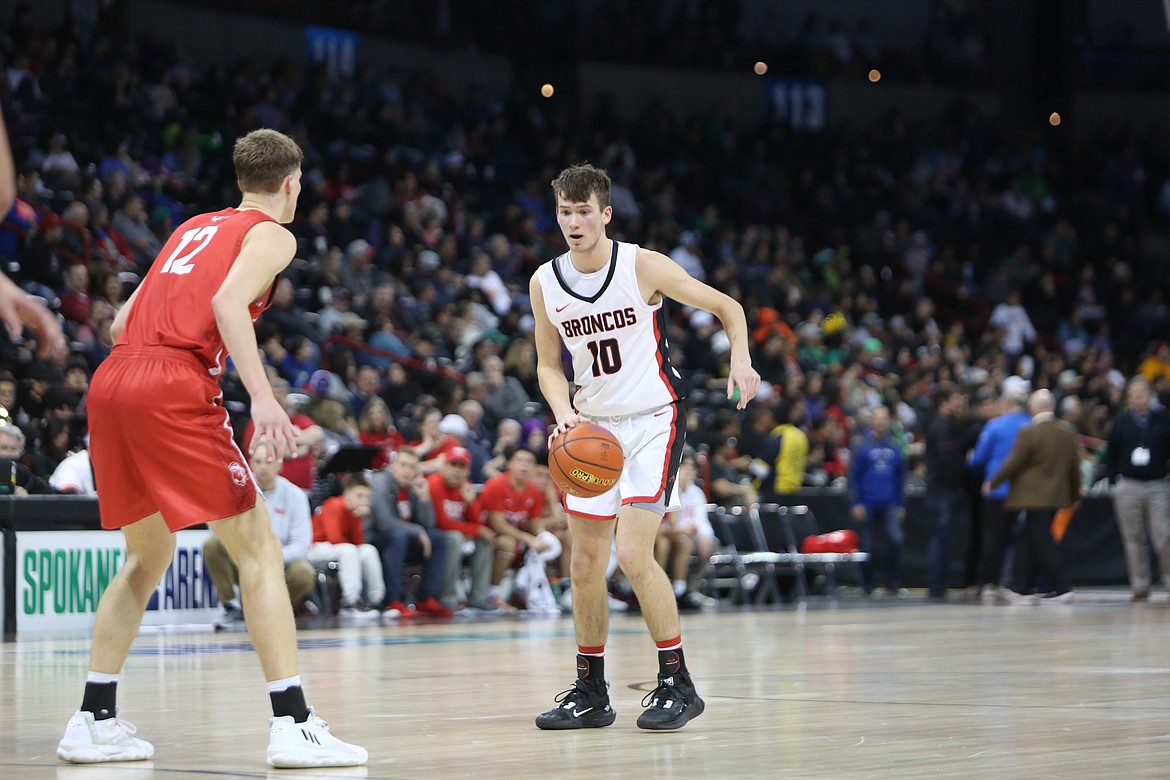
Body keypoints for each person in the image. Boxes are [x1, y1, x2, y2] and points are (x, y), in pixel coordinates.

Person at [56, 129, 366, 768]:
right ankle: (294, 723)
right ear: (291, 184)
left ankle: (93, 718)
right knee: (258, 548)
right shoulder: (275, 234)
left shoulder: (191, 227)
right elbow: (227, 302)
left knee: (148, 553)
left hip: (114, 378)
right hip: (172, 381)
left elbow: (118, 324)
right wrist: (265, 398)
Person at [530, 164, 759, 731]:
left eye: (585, 211)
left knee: (632, 555)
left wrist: (742, 358)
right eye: (565, 211)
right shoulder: (545, 282)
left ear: (606, 213)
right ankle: (591, 691)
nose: (575, 221)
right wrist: (564, 415)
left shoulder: (641, 265)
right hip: (593, 430)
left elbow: (729, 307)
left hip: (654, 419)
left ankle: (676, 681)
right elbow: (546, 365)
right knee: (583, 562)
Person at [986, 390, 1082, 604]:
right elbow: (1073, 467)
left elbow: (1014, 462)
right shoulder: (1066, 432)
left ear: (1034, 408)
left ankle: (1062, 585)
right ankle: (1022, 587)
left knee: (1041, 540)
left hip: (1032, 497)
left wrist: (992, 482)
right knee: (1027, 538)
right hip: (1057, 496)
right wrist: (1074, 494)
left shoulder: (1029, 432)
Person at [204, 449, 316, 630]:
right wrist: (246, 553)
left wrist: (270, 557)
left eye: (269, 461)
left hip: (279, 561)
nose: (263, 467)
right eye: (258, 461)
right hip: (242, 556)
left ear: (280, 464)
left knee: (303, 572)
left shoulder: (296, 496)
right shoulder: (235, 489)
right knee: (212, 545)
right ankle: (231, 605)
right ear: (250, 464)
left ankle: (271, 610)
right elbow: (216, 529)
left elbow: (302, 545)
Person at [366, 447, 454, 616]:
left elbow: (429, 523)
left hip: (403, 541)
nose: (407, 471)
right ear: (392, 465)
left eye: (412, 467)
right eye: (403, 465)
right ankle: (392, 599)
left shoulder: (413, 486)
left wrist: (424, 498)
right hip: (376, 540)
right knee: (399, 535)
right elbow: (384, 522)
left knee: (437, 538)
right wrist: (418, 531)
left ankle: (425, 598)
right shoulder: (380, 482)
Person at [1105, 376, 1170, 601]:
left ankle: (1168, 579)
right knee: (1133, 538)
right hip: (1129, 484)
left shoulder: (1163, 418)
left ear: (1149, 395)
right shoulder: (1122, 420)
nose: (1136, 398)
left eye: (1140, 394)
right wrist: (1115, 481)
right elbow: (1111, 452)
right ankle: (1139, 585)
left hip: (1157, 484)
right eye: (1132, 394)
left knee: (1163, 535)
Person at [966, 381, 1032, 601]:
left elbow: (978, 460)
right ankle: (1018, 584)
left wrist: (970, 458)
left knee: (993, 538)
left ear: (1006, 403)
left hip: (996, 490)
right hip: (1024, 492)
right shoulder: (1032, 425)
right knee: (1021, 538)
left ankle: (989, 583)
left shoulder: (995, 425)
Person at [427, 446, 499, 610]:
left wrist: (470, 502)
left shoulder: (465, 486)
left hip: (456, 533)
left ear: (468, 471)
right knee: (455, 538)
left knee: (484, 541)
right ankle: (447, 598)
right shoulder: (434, 483)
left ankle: (478, 598)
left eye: (462, 467)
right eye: (453, 465)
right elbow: (441, 523)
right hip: (434, 534)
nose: (457, 471)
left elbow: (476, 522)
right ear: (444, 466)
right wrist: (477, 530)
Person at [479, 446, 552, 605]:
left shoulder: (533, 491)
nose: (524, 465)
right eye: (520, 460)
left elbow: (535, 524)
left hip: (517, 536)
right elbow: (498, 524)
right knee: (508, 543)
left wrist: (544, 537)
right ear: (510, 464)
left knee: (551, 543)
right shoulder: (496, 484)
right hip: (488, 535)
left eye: (529, 462)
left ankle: (537, 593)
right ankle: (493, 593)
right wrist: (528, 539)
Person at [849, 405, 907, 597]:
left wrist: (900, 504)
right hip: (867, 501)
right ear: (872, 420)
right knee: (866, 545)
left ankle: (892, 582)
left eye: (884, 418)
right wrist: (855, 502)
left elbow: (901, 477)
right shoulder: (861, 444)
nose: (880, 422)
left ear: (888, 421)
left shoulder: (894, 445)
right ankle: (867, 584)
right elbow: (853, 475)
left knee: (896, 539)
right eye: (877, 418)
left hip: (890, 501)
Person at [308, 473, 385, 616]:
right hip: (314, 547)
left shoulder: (354, 511)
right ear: (347, 494)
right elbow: (335, 538)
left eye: (367, 497)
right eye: (359, 496)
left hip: (335, 548)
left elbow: (358, 542)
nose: (364, 500)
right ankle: (350, 603)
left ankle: (376, 600)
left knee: (369, 550)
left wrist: (358, 518)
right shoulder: (334, 505)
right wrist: (357, 520)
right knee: (348, 550)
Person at [923, 382, 968, 601]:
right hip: (942, 490)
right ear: (943, 402)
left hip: (942, 489)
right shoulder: (940, 426)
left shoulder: (945, 424)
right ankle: (937, 586)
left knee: (943, 540)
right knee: (941, 540)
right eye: (954, 399)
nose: (958, 403)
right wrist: (958, 481)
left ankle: (939, 585)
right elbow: (946, 460)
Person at [655, 452, 717, 608]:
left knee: (708, 543)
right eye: (684, 466)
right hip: (662, 531)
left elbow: (700, 521)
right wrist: (681, 530)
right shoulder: (665, 487)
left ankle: (684, 589)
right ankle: (656, 587)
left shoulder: (696, 492)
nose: (688, 470)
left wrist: (703, 536)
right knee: (665, 544)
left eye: (692, 467)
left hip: (680, 533)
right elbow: (666, 523)